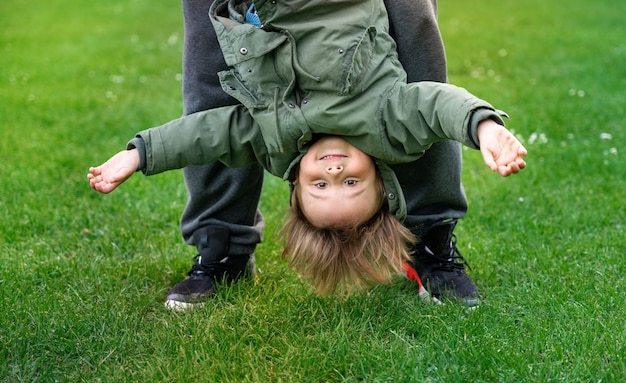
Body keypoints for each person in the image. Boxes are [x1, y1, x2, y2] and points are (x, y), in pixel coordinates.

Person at [88, 0, 527, 301]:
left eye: (321, 184)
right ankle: (223, 248)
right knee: (424, 73)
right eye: (351, 181)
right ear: (379, 172)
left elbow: (206, 133)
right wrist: (485, 127)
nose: (333, 170)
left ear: (296, 183)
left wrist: (137, 154)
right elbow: (438, 105)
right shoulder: (386, 122)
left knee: (216, 71)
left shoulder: (274, 140)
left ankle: (428, 241)